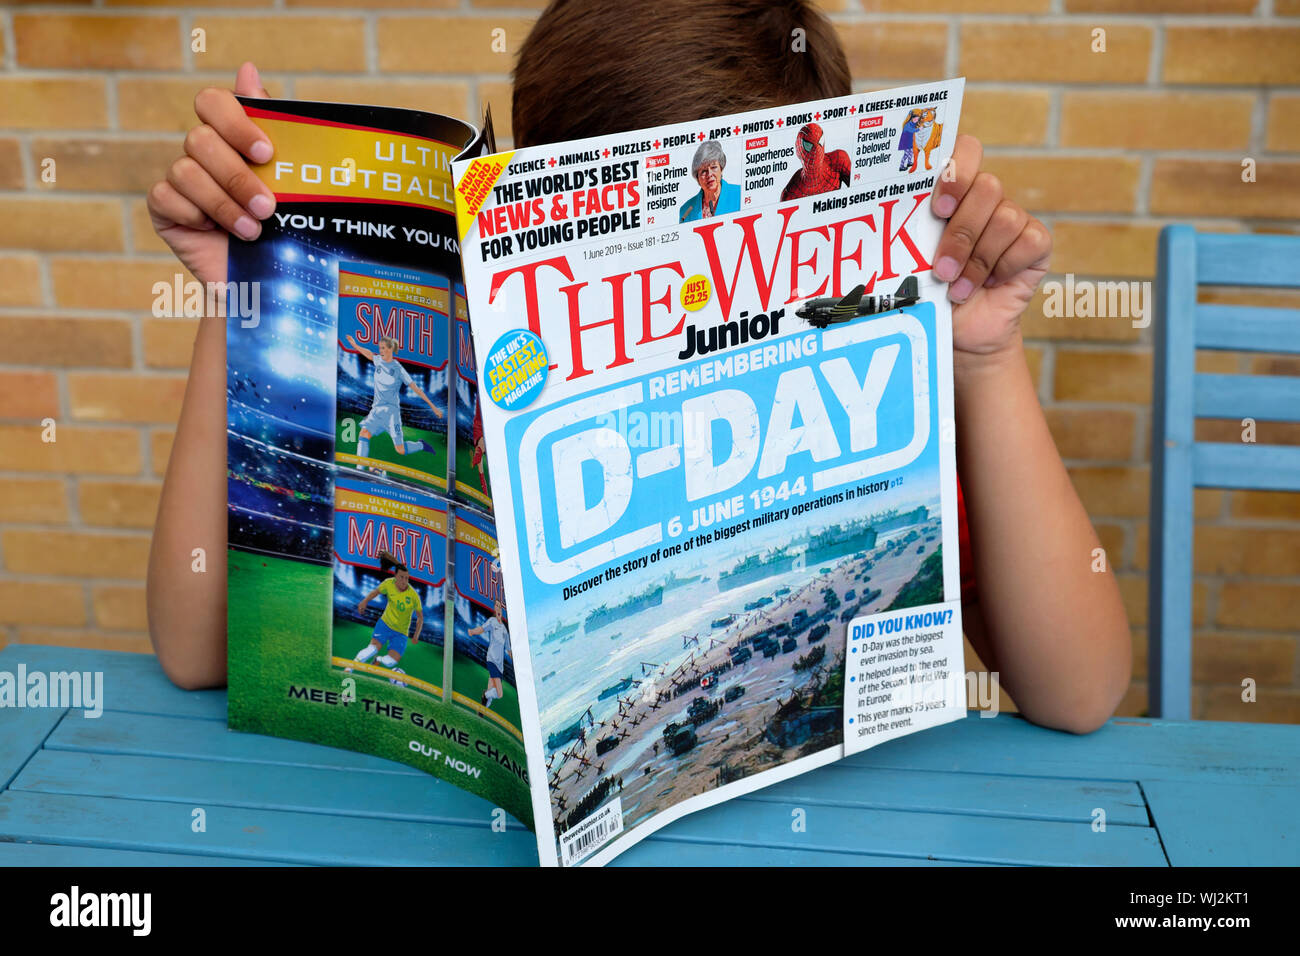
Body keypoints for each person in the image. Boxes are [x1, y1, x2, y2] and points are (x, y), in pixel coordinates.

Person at [145, 0, 1130, 737]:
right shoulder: (481, 358)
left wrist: (989, 360)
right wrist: (240, 293)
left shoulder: (866, 378)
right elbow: (196, 651)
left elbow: (1080, 689)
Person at [344, 333, 443, 469]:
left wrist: (433, 407)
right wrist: (354, 345)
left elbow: (416, 388)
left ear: (390, 349)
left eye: (383, 348)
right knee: (364, 433)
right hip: (377, 410)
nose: (381, 351)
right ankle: (360, 470)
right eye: (380, 348)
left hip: (391, 413)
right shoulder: (378, 361)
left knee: (400, 450)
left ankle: (421, 445)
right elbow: (368, 354)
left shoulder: (398, 369)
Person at [351, 554, 422, 685]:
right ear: (395, 576)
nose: (404, 581)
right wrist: (364, 601)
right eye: (401, 577)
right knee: (372, 649)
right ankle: (349, 668)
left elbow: (420, 618)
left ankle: (378, 659)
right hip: (385, 624)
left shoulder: (413, 595)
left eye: (407, 578)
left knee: (391, 662)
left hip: (401, 632)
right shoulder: (388, 584)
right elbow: (375, 592)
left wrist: (416, 635)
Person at [678, 140, 740, 222]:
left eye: (714, 167)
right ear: (697, 177)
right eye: (703, 171)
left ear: (721, 169)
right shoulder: (686, 210)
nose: (709, 174)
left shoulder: (740, 194)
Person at [468, 600, 511, 709]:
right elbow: (482, 629)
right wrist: (472, 631)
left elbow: (508, 649)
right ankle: (485, 695)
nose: (498, 608)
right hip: (492, 659)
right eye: (496, 606)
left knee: (490, 692)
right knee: (499, 694)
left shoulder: (505, 630)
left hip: (500, 665)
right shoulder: (492, 621)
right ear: (494, 608)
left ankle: (482, 711)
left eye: (500, 606)